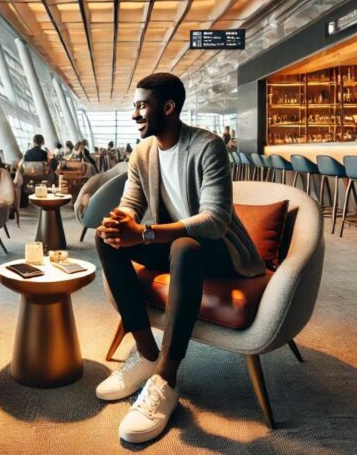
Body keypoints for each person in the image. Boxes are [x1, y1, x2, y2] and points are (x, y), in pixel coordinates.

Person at [95, 73, 263, 443]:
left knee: (183, 247)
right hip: (171, 244)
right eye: (135, 105)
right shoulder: (142, 152)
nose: (135, 114)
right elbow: (131, 204)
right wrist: (120, 223)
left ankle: (166, 378)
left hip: (217, 249)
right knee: (105, 240)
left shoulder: (207, 146)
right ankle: (147, 353)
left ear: (169, 108)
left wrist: (147, 233)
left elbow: (215, 220)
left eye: (143, 105)